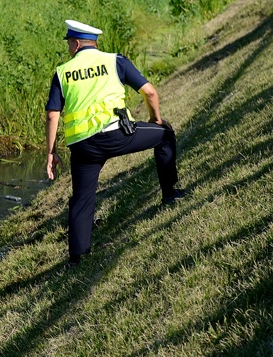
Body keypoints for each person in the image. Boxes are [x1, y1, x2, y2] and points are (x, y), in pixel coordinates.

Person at [45, 20, 186, 266]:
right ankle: (169, 194)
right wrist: (155, 120)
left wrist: (50, 152)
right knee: (165, 135)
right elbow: (150, 92)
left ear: (76, 43)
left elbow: (52, 115)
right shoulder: (115, 61)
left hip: (84, 146)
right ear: (93, 43)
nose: (69, 48)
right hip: (120, 136)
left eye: (69, 43)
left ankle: (77, 257)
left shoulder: (61, 72)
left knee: (82, 198)